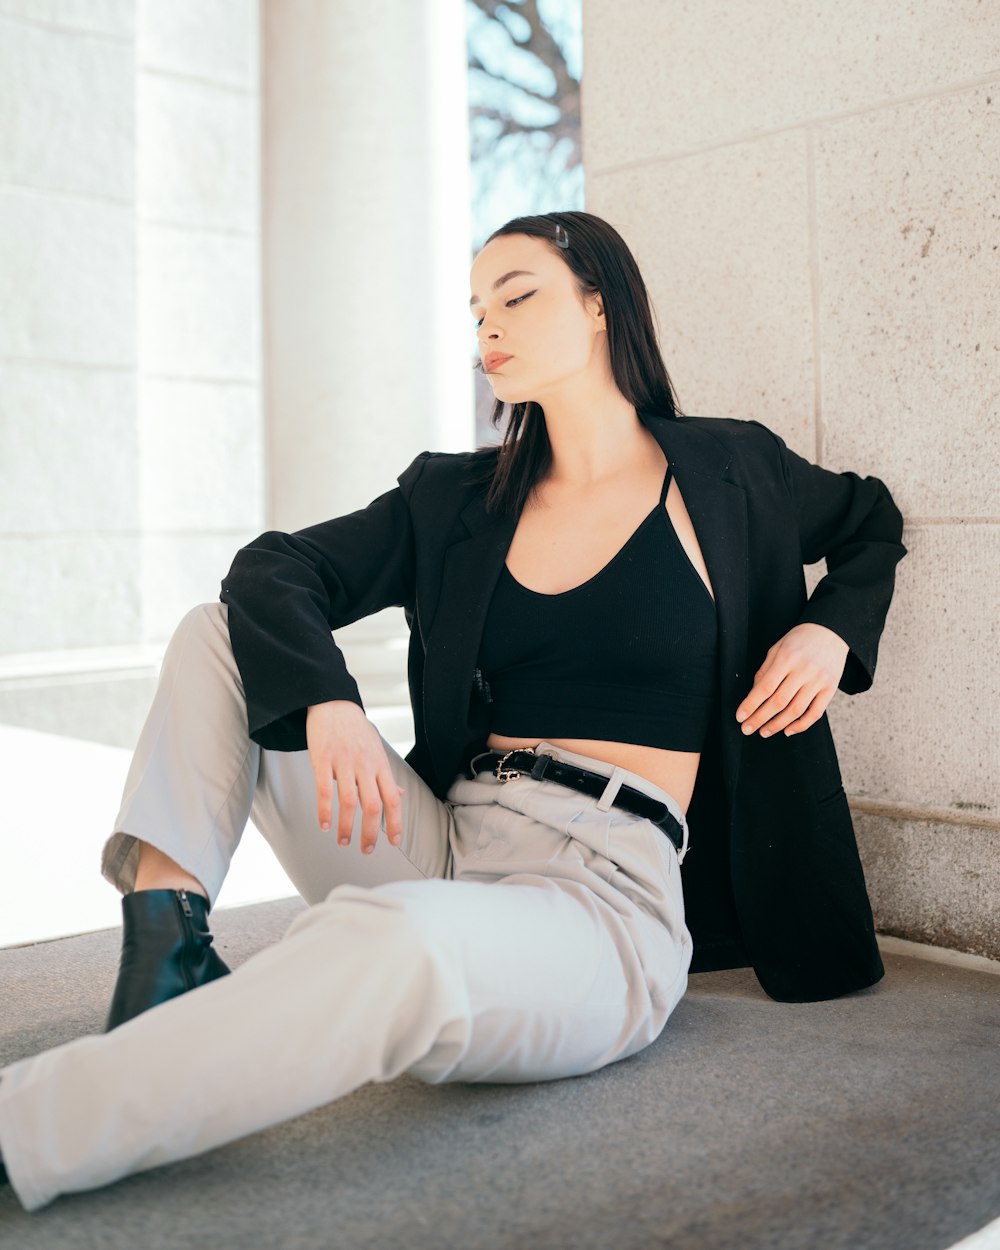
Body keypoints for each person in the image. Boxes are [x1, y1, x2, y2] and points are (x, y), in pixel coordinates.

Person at [0, 210, 906, 1212]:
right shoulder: (458, 498)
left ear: (600, 303)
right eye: (477, 311)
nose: (488, 331)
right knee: (218, 635)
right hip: (432, 835)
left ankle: (24, 1129)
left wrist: (828, 632)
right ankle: (165, 948)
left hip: (596, 900)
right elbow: (274, 569)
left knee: (396, 941)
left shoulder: (732, 471)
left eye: (516, 296)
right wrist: (324, 698)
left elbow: (869, 520)